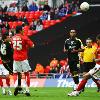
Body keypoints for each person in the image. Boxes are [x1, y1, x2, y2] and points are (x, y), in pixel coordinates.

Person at [11, 25, 35, 96]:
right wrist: (26, 47)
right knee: (26, 73)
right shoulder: (24, 37)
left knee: (15, 73)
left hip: (15, 58)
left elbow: (12, 47)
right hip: (23, 58)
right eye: (22, 29)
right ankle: (27, 90)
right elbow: (32, 45)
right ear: (20, 30)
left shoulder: (13, 38)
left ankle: (16, 86)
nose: (23, 30)